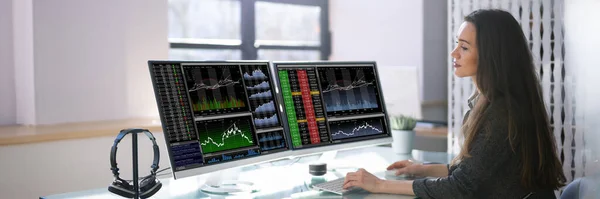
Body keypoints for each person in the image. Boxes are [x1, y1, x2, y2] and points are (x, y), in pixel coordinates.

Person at [342, 9, 566, 198]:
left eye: (464, 47)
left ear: (491, 56)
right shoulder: (489, 101)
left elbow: (461, 186)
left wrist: (380, 185)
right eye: (457, 44)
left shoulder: (502, 113)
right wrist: (421, 169)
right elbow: (472, 171)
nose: (453, 53)